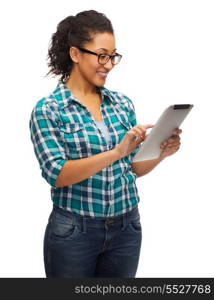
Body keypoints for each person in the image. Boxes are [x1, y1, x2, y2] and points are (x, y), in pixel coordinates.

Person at [29, 10, 182, 278]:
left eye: (113, 56)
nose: (109, 64)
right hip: (74, 233)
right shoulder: (48, 110)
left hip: (127, 228)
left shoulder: (122, 104)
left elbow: (132, 167)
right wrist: (116, 152)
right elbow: (57, 174)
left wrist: (160, 154)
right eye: (101, 55)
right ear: (76, 54)